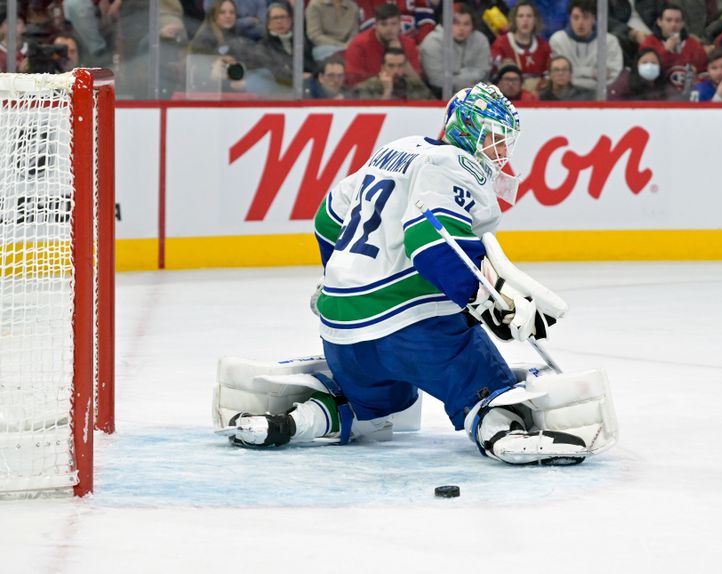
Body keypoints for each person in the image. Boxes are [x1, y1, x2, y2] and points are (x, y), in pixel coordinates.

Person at [215, 83, 616, 465]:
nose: (498, 151)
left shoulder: (396, 149)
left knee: (373, 408)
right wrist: (487, 304)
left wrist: (335, 277)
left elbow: (326, 219)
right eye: (493, 137)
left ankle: (289, 423)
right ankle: (504, 436)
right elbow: (430, 241)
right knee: (488, 391)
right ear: (467, 127)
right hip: (413, 332)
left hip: (340, 331)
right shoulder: (457, 165)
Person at [419, 2, 491, 98]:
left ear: (472, 26)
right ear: (445, 23)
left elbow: (483, 73)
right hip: (437, 95)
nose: (461, 28)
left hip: (475, 94)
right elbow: (437, 80)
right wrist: (469, 75)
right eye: (456, 23)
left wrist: (454, 76)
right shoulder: (432, 42)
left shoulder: (481, 40)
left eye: (466, 24)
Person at [549, 0, 624, 91]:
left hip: (599, 96)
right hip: (565, 95)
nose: (580, 23)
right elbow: (555, 75)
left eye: (586, 17)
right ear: (570, 18)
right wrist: (591, 72)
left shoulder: (609, 41)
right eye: (576, 17)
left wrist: (572, 75)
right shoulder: (558, 40)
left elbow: (612, 76)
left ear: (593, 19)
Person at [247, 2, 316, 97]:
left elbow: (312, 65)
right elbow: (275, 73)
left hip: (306, 88)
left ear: (290, 20)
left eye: (283, 17)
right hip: (279, 92)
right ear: (268, 24)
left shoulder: (302, 42)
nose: (279, 21)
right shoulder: (262, 47)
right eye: (275, 18)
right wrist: (297, 76)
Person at [344, 3, 422, 86]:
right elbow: (352, 84)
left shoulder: (409, 44)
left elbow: (418, 84)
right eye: (384, 24)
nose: (389, 29)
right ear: (376, 25)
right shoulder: (359, 44)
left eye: (393, 24)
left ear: (400, 25)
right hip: (370, 93)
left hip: (401, 92)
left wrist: (402, 56)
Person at [187, 0, 253, 94]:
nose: (228, 16)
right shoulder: (205, 38)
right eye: (222, 12)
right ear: (213, 16)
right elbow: (197, 74)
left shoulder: (237, 37)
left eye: (232, 12)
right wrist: (218, 62)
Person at [640, 4, 707, 92]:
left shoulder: (694, 44)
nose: (673, 24)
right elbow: (646, 72)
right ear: (659, 22)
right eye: (668, 20)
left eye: (677, 21)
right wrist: (665, 51)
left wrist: (696, 73)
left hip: (689, 92)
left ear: (683, 23)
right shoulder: (649, 43)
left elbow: (704, 70)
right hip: (659, 91)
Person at [491, 0, 551, 92]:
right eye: (521, 16)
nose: (525, 20)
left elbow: (548, 77)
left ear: (535, 20)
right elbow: (494, 77)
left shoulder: (544, 46)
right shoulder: (501, 44)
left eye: (529, 16)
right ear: (515, 20)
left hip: (537, 99)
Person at [354, 46, 432, 99]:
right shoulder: (368, 87)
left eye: (400, 66)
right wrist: (387, 91)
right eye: (391, 66)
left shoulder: (416, 86)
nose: (396, 71)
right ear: (383, 67)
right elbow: (372, 118)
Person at [608, 47, 673, 100]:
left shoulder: (664, 87)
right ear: (637, 65)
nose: (649, 66)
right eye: (644, 62)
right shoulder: (624, 82)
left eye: (653, 63)